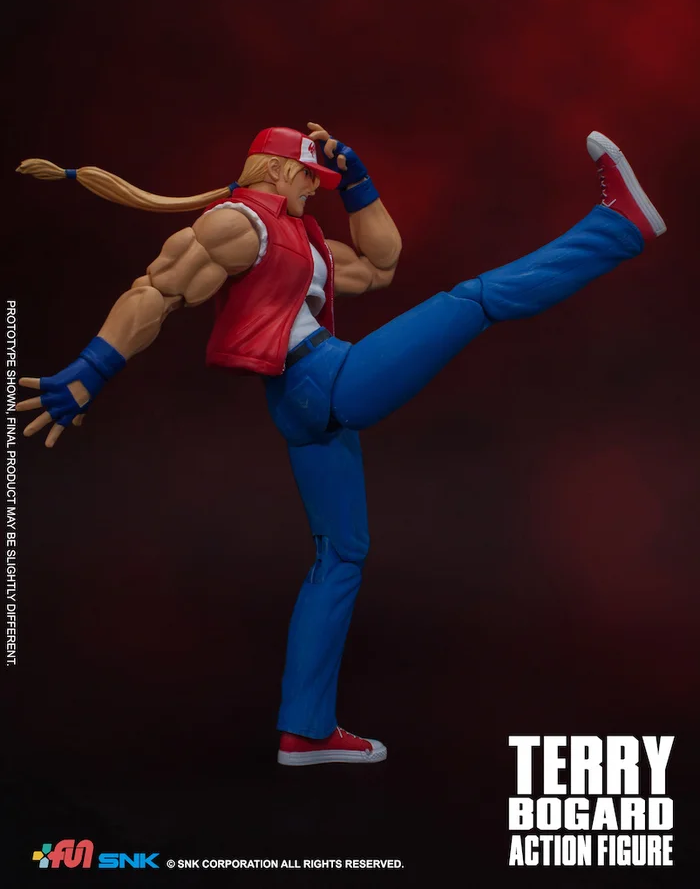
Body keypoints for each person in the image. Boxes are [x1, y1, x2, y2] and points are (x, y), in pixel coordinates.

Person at [16, 123, 666, 765]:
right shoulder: (238, 224)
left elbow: (381, 266)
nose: (313, 188)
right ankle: (618, 227)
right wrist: (91, 371)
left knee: (340, 557)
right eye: (309, 176)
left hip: (302, 404)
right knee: (474, 299)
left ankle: (306, 731)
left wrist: (360, 186)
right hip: (321, 381)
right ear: (276, 170)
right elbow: (157, 292)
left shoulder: (300, 239)